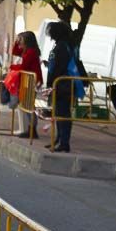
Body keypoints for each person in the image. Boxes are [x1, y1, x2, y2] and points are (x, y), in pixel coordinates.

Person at [44, 21, 81, 153]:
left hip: (63, 85)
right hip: (62, 84)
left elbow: (61, 66)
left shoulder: (63, 46)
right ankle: (59, 139)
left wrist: (52, 81)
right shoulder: (64, 45)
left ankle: (64, 142)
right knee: (59, 113)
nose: (50, 35)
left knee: (63, 113)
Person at [6, 31, 42, 138]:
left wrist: (13, 67)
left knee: (29, 105)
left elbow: (24, 67)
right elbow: (15, 52)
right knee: (26, 105)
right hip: (27, 81)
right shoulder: (26, 50)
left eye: (21, 39)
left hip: (31, 81)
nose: (20, 41)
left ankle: (32, 130)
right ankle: (30, 129)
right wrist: (16, 42)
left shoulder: (31, 51)